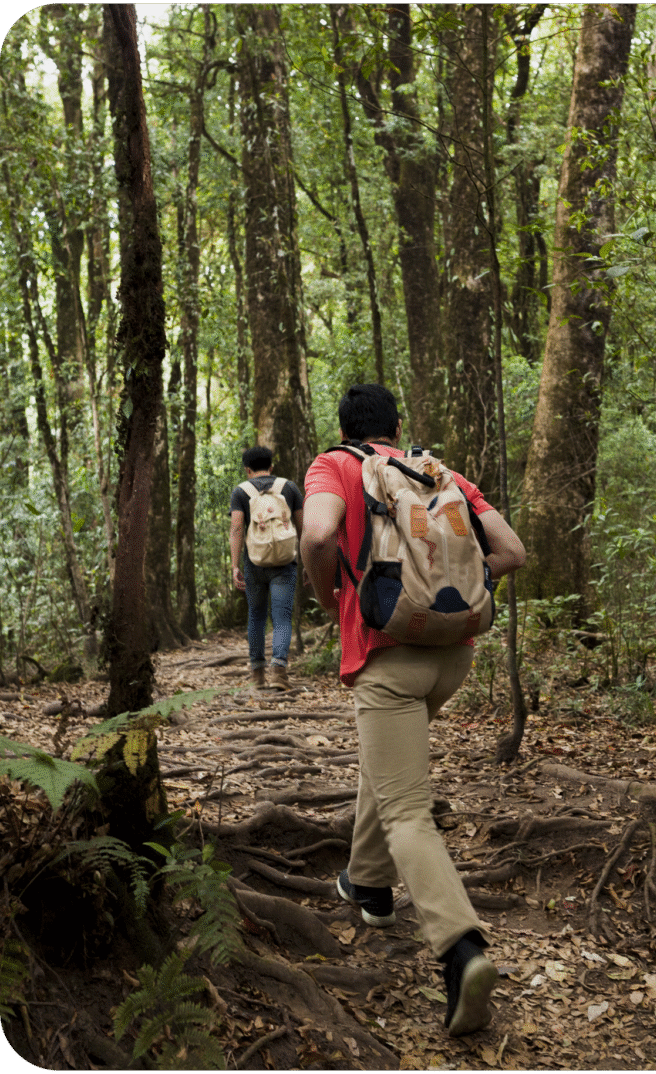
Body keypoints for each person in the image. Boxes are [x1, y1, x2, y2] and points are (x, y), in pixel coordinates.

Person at [300, 384, 525, 1036]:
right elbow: (510, 552)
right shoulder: (437, 473)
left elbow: (316, 537)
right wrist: (444, 591)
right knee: (387, 766)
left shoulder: (334, 465)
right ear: (399, 425)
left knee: (405, 811)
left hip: (387, 657)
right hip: (453, 656)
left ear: (343, 427)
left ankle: (461, 949)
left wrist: (331, 597)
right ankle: (368, 885)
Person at [229, 446, 304, 691]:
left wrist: (234, 566)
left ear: (248, 470)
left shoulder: (241, 491)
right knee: (282, 617)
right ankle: (280, 672)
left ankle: (257, 675)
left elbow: (237, 529)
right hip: (285, 562)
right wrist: (307, 563)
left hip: (254, 562)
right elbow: (303, 528)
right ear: (271, 467)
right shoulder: (289, 488)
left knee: (257, 616)